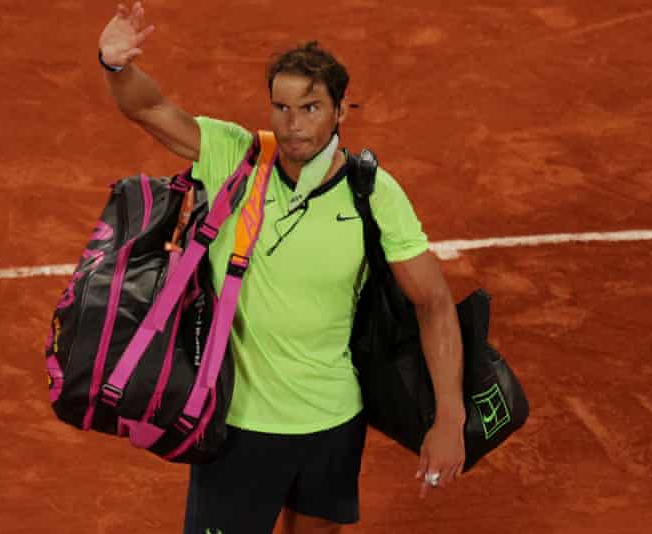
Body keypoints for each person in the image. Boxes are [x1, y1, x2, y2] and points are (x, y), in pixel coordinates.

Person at [98, 3, 466, 533]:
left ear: (341, 111)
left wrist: (449, 416)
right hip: (236, 427)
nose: (294, 126)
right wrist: (116, 67)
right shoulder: (236, 158)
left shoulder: (373, 193)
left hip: (332, 422)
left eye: (311, 108)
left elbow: (432, 302)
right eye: (282, 108)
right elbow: (149, 108)